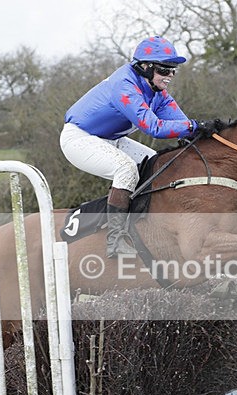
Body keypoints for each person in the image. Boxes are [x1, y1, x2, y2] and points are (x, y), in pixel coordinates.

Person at [61, 36, 211, 257]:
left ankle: (149, 226)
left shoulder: (157, 92)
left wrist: (206, 131)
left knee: (156, 166)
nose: (169, 76)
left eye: (173, 71)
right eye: (164, 69)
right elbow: (154, 128)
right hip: (79, 138)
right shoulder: (125, 85)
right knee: (126, 169)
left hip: (110, 138)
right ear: (145, 66)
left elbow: (183, 124)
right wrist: (193, 126)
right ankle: (115, 240)